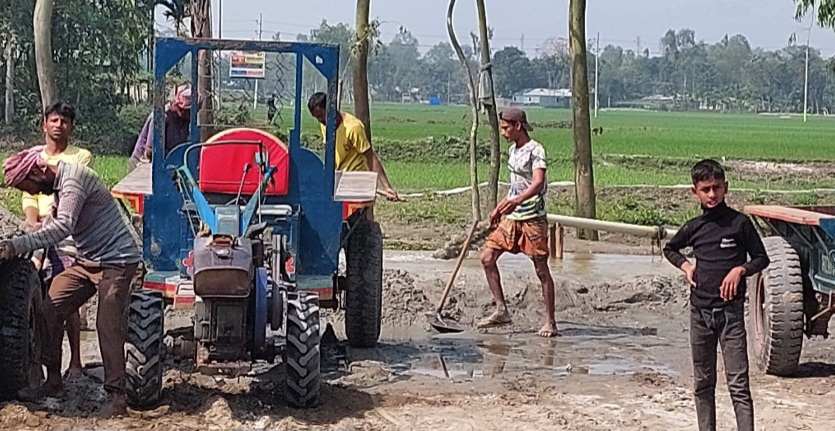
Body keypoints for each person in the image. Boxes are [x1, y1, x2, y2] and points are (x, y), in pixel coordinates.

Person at [0, 146, 141, 417]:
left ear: (40, 171)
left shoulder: (74, 179)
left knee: (106, 323)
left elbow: (62, 227)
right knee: (49, 308)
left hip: (117, 259)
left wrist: (17, 246)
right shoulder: (58, 187)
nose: (33, 193)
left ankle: (116, 396)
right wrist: (29, 248)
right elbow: (51, 225)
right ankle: (53, 380)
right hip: (87, 260)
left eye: (29, 186)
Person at [663, 159, 769, 431]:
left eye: (717, 188)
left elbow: (761, 258)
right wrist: (686, 266)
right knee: (702, 382)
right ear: (694, 192)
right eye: (706, 189)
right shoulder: (694, 227)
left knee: (738, 384)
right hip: (699, 315)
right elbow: (670, 249)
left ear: (726, 188)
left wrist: (740, 270)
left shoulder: (739, 224)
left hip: (731, 316)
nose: (712, 195)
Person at [21, 102, 92, 382]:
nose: (58, 125)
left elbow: (67, 189)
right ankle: (38, 362)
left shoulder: (81, 157)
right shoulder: (33, 156)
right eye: (54, 120)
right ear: (44, 125)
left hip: (67, 231)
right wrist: (32, 220)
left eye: (64, 121)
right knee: (35, 298)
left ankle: (74, 360)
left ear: (71, 127)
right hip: (38, 227)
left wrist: (50, 219)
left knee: (67, 299)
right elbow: (29, 195)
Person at [477, 107, 557, 338]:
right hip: (513, 218)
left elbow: (538, 183)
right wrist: (499, 208)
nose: (503, 132)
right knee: (487, 258)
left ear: (518, 126)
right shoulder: (512, 151)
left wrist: (517, 202)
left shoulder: (536, 150)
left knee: (541, 269)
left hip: (532, 218)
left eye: (505, 128)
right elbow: (514, 187)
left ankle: (550, 322)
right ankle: (501, 309)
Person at [307, 92, 399, 202]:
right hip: (340, 181)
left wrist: (386, 187)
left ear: (330, 109)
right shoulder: (324, 124)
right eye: (317, 118)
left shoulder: (353, 127)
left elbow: (370, 156)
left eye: (321, 117)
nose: (321, 121)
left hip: (356, 181)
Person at [128, 85, 192, 170]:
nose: (188, 114)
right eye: (185, 110)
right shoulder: (160, 117)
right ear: (176, 104)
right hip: (142, 164)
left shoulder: (184, 120)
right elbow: (150, 151)